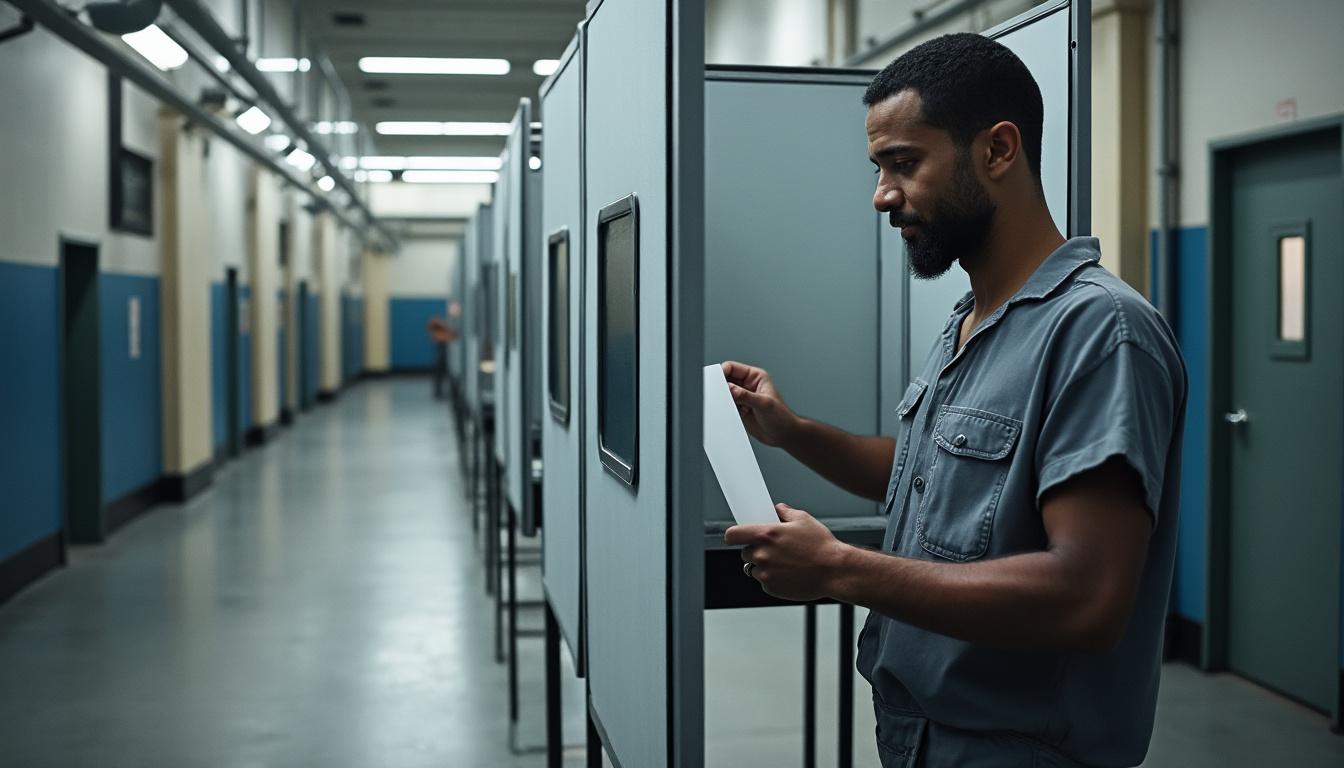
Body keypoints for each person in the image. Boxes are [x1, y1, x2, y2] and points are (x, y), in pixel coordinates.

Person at [723, 33, 1186, 768]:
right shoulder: (973, 318)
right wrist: (792, 431)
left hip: (1017, 750)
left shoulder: (1100, 332)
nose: (882, 194)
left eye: (904, 163)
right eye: (879, 167)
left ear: (998, 151)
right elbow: (930, 476)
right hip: (922, 735)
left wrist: (840, 568)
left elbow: (1088, 596)